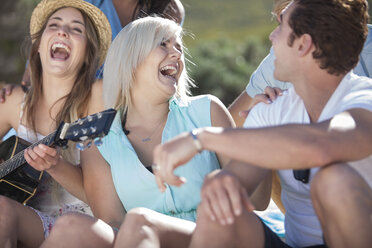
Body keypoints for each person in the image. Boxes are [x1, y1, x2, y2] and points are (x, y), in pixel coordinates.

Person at [153, 0, 372, 247]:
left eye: (280, 26)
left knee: (335, 180)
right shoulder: (270, 110)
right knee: (218, 202)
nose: (271, 36)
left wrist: (201, 138)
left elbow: (321, 146)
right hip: (293, 243)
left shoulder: (364, 99)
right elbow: (241, 178)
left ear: (303, 45)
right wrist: (223, 185)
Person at [39, 16, 251, 248]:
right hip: (140, 241)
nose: (177, 54)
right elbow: (111, 221)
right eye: (163, 44)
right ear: (131, 59)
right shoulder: (98, 140)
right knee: (69, 226)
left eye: (178, 47)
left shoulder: (206, 111)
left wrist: (253, 135)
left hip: (212, 237)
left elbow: (254, 199)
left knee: (140, 221)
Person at [0, 0, 111, 246]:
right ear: (39, 45)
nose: (63, 31)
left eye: (76, 29)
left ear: (87, 54)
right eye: (55, 25)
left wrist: (55, 165)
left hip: (81, 224)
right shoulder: (15, 101)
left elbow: (99, 199)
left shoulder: (97, 97)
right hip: (27, 218)